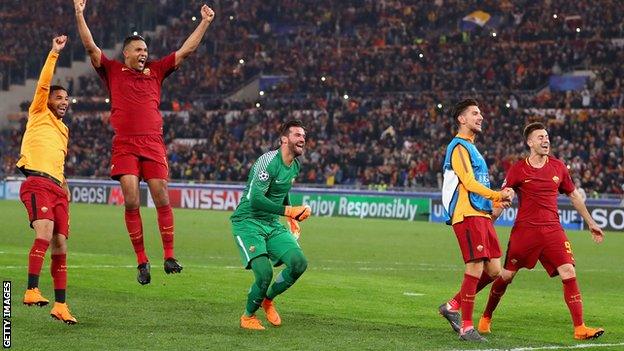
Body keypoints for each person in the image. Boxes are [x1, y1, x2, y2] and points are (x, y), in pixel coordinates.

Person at [74, 0, 215, 284]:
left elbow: (186, 50)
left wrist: (205, 22)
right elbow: (90, 47)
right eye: (139, 50)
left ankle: (169, 255)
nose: (144, 54)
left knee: (161, 192)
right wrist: (79, 13)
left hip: (152, 142)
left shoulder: (157, 70)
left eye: (146, 51)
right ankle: (141, 261)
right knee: (131, 197)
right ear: (126, 52)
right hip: (125, 143)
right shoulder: (112, 70)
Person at [478, 122, 605, 340]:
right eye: (540, 137)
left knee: (569, 272)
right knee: (506, 276)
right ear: (529, 142)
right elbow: (504, 196)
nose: (545, 140)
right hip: (525, 232)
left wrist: (591, 222)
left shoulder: (558, 167)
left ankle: (580, 328)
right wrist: (489, 220)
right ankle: (486, 317)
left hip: (553, 231)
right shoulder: (518, 169)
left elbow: (574, 196)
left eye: (546, 137)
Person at [438, 99, 514, 341]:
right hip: (466, 213)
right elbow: (469, 183)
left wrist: (495, 204)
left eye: (480, 113)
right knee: (474, 267)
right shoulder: (458, 146)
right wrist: (497, 195)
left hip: (481, 214)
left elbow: (477, 185)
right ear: (462, 119)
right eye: (474, 113)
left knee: (494, 271)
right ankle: (467, 327)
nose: (480, 117)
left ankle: (452, 306)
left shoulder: (473, 148)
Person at [18, 35, 77, 324]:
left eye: (67, 99)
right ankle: (31, 289)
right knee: (43, 234)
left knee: (61, 245)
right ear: (48, 99)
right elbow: (44, 82)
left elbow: (59, 161)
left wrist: (65, 186)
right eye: (59, 97)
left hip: (57, 188)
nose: (64, 102)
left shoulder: (64, 130)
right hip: (37, 183)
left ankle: (61, 305)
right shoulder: (39, 111)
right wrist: (54, 52)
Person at [231, 120, 311, 330]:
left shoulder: (295, 165)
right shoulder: (268, 161)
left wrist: (292, 218)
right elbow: (256, 199)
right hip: (248, 222)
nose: (302, 138)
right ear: (284, 139)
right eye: (297, 135)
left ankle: (268, 299)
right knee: (264, 273)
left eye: (303, 135)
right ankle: (248, 316)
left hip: (271, 223)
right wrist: (288, 211)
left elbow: (282, 189)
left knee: (299, 263)